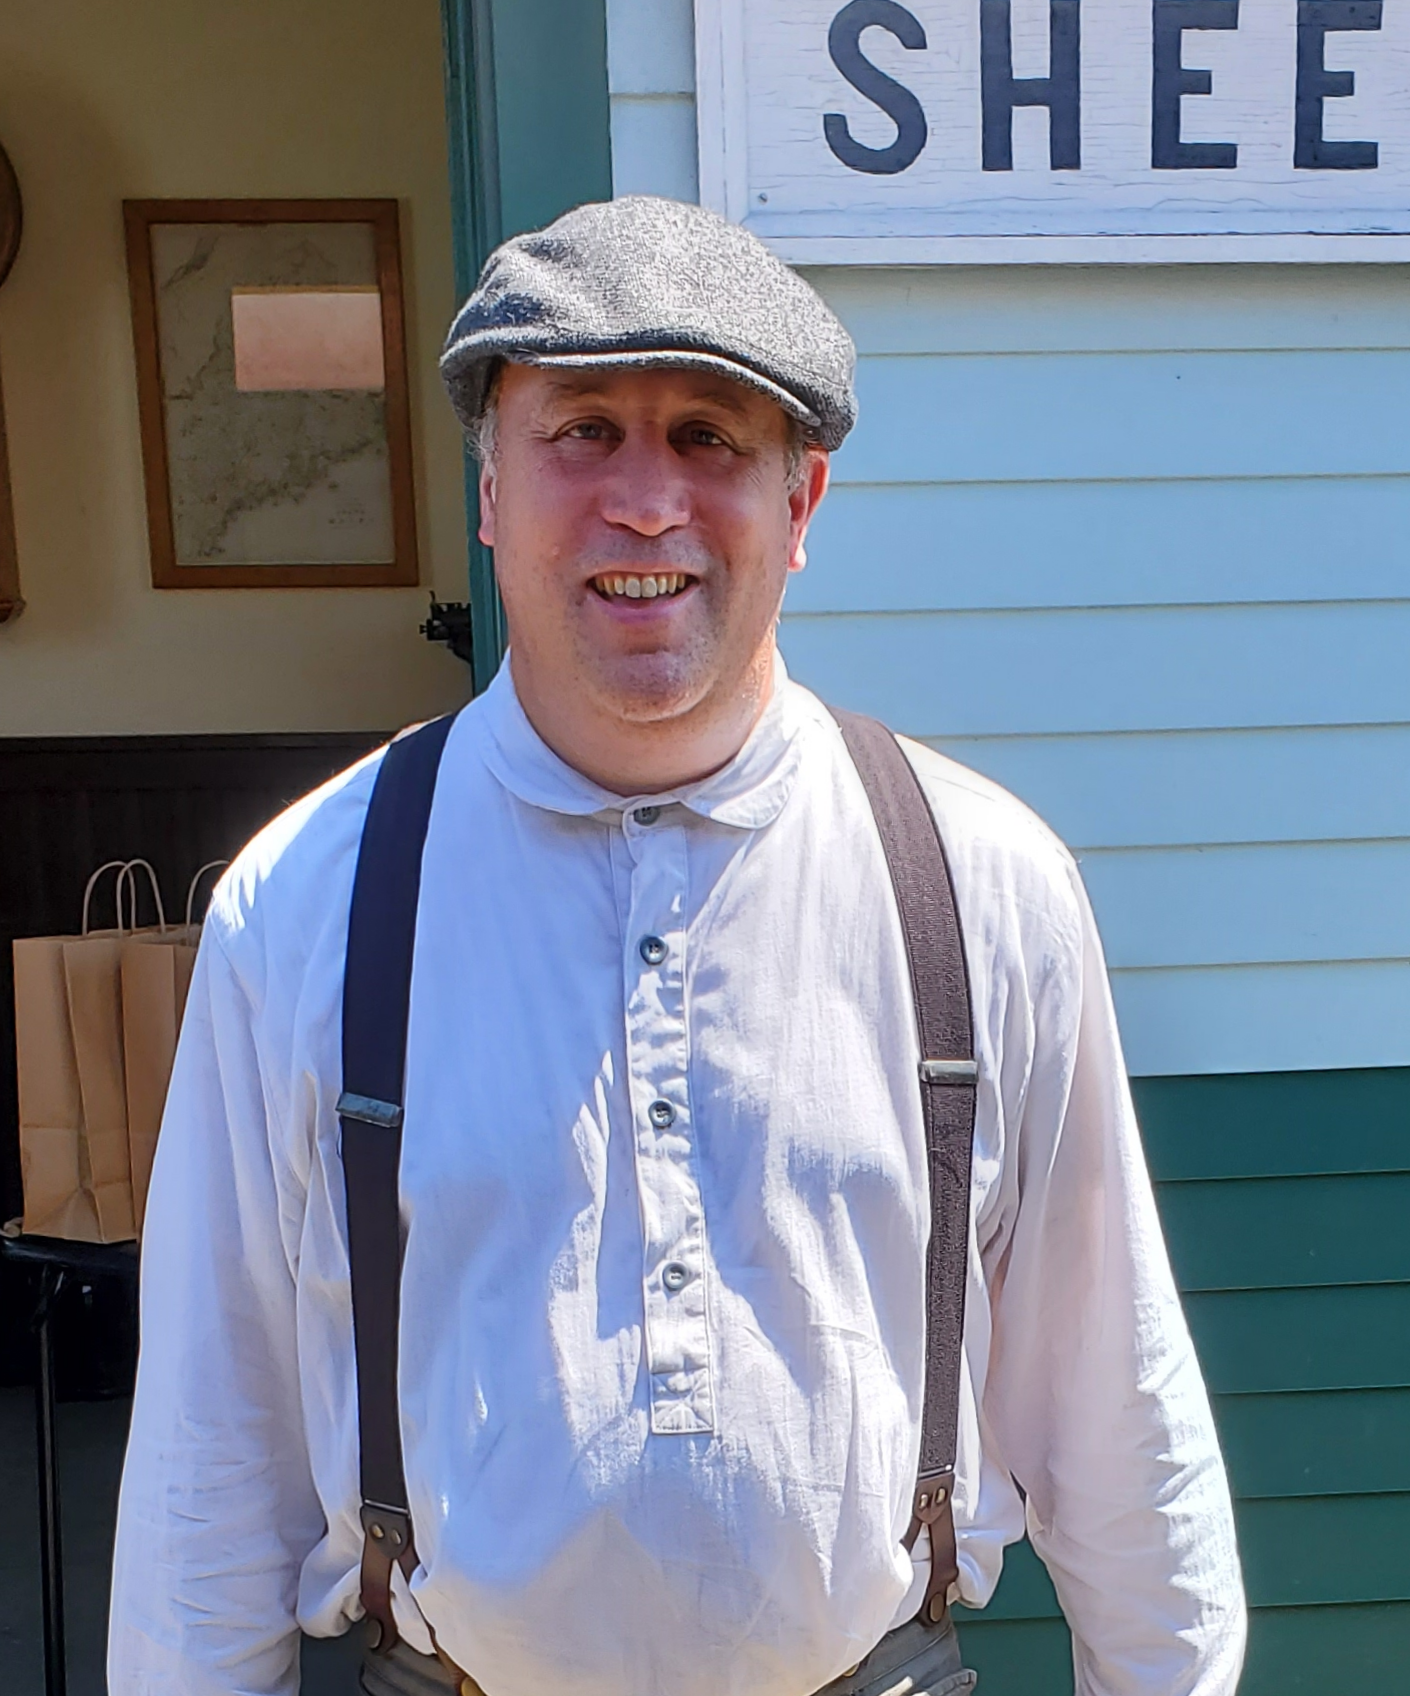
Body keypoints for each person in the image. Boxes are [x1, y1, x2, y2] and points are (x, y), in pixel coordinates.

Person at [108, 196, 1245, 1696]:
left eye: (709, 436)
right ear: (491, 493)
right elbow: (213, 1438)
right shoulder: (304, 900)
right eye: (581, 429)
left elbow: (1117, 1402)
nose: (645, 500)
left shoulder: (983, 884)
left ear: (801, 503)